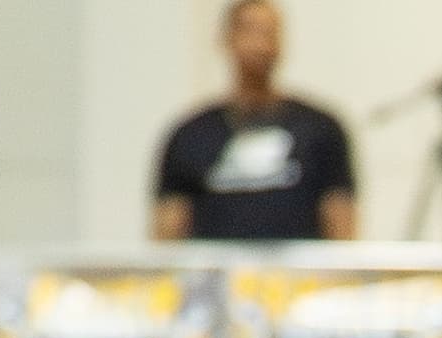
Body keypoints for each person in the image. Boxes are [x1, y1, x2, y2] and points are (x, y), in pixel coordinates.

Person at [153, 1, 357, 243]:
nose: (261, 44)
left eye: (270, 32)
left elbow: (342, 225)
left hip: (298, 279)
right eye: (250, 30)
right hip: (215, 279)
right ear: (226, 39)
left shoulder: (320, 130)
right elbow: (167, 234)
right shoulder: (190, 136)